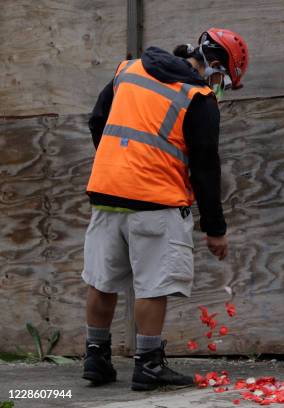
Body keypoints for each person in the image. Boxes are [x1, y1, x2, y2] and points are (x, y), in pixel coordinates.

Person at [81, 28, 249, 391]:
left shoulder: (129, 70)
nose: (219, 86)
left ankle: (95, 358)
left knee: (101, 279)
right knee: (152, 285)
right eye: (222, 78)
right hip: (155, 200)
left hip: (107, 191)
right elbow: (205, 167)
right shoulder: (198, 96)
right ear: (213, 64)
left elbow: (97, 121)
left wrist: (118, 164)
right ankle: (149, 364)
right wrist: (215, 229)